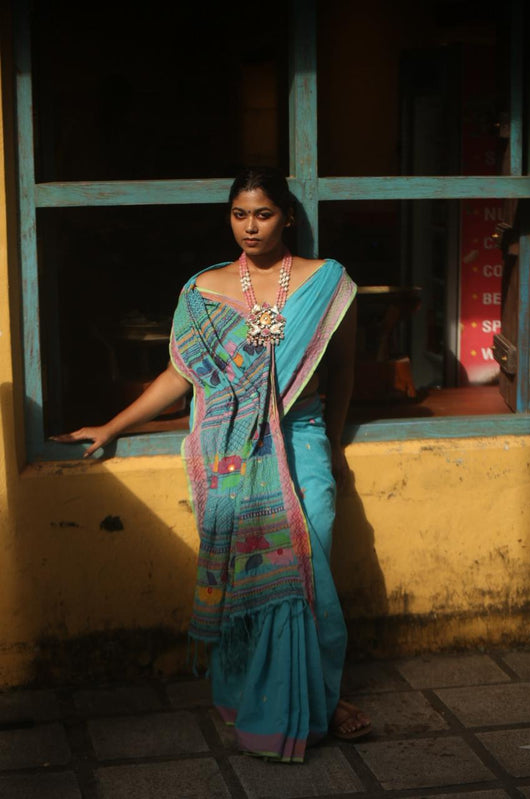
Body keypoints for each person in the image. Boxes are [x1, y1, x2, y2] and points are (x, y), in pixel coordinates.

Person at [53, 166, 371, 761]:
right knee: (248, 563)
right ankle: (261, 696)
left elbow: (345, 368)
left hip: (300, 437)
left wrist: (331, 442)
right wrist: (113, 426)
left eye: (264, 214)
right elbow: (180, 376)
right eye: (239, 214)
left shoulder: (327, 283)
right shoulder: (203, 292)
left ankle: (322, 697)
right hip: (231, 452)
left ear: (287, 217)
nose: (250, 227)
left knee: (313, 565)